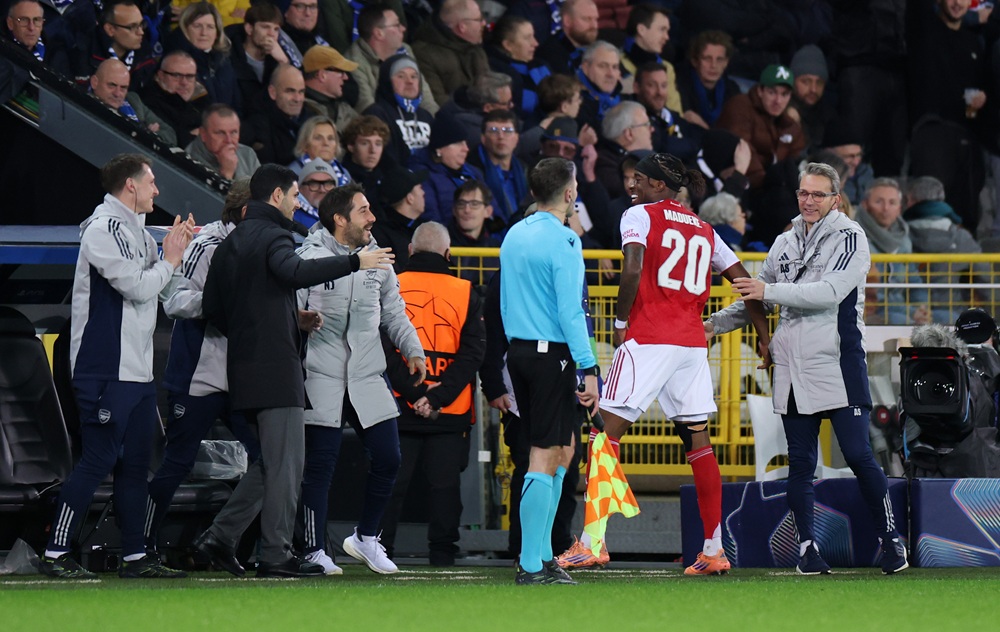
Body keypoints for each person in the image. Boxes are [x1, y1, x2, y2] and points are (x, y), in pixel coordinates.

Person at [570, 153, 770, 575]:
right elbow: (746, 283)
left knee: (603, 435)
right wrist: (764, 339)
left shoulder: (638, 215)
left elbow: (632, 267)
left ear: (659, 185)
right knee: (699, 443)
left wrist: (620, 322)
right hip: (691, 346)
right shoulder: (705, 229)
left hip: (649, 338)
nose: (632, 186)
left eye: (639, 179)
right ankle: (713, 549)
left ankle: (591, 542)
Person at [705, 162, 909, 576]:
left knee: (858, 454)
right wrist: (709, 326)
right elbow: (755, 299)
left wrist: (768, 289)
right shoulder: (784, 241)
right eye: (803, 193)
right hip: (792, 367)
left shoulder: (851, 236)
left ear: (835, 198)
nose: (809, 201)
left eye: (818, 194)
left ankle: (891, 541)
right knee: (800, 463)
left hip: (838, 361)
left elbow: (830, 292)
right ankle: (807, 550)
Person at [196, 164, 393, 578]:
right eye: (292, 195)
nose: (297, 203)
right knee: (288, 464)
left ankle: (219, 537)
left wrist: (265, 325)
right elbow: (295, 272)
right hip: (276, 365)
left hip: (242, 363)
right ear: (276, 196)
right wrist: (354, 262)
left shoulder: (232, 241)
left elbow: (212, 305)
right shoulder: (275, 235)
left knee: (272, 460)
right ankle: (275, 554)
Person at [39, 153, 194, 579]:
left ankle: (135, 557)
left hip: (137, 371)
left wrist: (178, 255)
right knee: (98, 458)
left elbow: (163, 291)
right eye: (151, 182)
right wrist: (169, 259)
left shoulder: (138, 232)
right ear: (130, 185)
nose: (156, 190)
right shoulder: (102, 229)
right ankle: (55, 552)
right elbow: (137, 287)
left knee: (136, 464)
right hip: (105, 366)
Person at [295, 181, 426, 575]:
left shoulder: (378, 258)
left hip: (368, 373)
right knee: (320, 465)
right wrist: (299, 320)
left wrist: (413, 349)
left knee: (389, 458)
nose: (372, 218)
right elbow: (286, 310)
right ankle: (313, 549)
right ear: (340, 219)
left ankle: (366, 537)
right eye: (363, 211)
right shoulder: (307, 258)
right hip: (322, 372)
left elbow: (394, 312)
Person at [144, 179, 260, 553]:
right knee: (177, 462)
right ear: (247, 212)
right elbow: (175, 301)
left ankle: (229, 545)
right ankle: (140, 544)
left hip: (241, 377)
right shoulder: (206, 246)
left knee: (269, 460)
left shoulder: (257, 246)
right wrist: (218, 304)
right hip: (198, 374)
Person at [500, 156, 600, 584]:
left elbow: (504, 301)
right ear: (570, 193)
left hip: (521, 351)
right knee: (543, 454)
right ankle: (530, 564)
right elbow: (570, 310)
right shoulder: (565, 240)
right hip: (551, 355)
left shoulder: (513, 234)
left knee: (562, 450)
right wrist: (588, 366)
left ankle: (543, 556)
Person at [378, 221, 486, 566]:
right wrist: (437, 397)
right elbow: (473, 353)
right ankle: (442, 552)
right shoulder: (466, 291)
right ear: (448, 254)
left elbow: (383, 349)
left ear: (411, 251)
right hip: (450, 409)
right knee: (445, 487)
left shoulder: (392, 284)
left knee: (391, 482)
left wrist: (415, 393)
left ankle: (378, 548)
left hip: (397, 404)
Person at [345, 2, 438, 115]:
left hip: (414, 120)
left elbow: (426, 98)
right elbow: (367, 109)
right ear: (379, 33)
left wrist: (437, 121)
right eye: (397, 25)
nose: (403, 28)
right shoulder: (353, 62)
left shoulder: (405, 50)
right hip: (382, 123)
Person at [411, 0, 489, 107]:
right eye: (479, 20)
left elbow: (489, 91)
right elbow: (436, 101)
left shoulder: (476, 50)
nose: (484, 23)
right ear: (462, 27)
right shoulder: (423, 54)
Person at [90, 58, 177, 145]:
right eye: (112, 85)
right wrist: (144, 134)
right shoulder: (87, 108)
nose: (117, 93)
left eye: (123, 88)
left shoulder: (133, 100)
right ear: (94, 82)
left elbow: (170, 134)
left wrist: (150, 135)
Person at [243, 63, 308, 165]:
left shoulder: (311, 120)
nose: (297, 99)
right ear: (272, 92)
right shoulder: (257, 128)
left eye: (301, 92)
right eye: (290, 91)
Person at [140, 51, 207, 146]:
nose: (184, 83)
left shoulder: (203, 101)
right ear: (161, 75)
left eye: (189, 76)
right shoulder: (149, 101)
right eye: (176, 75)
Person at [186, 104, 261, 180]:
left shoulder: (247, 154)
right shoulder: (188, 162)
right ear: (203, 134)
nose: (228, 140)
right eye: (220, 133)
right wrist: (227, 174)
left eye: (233, 132)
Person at [3, 0, 71, 75]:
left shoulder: (57, 56)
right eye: (24, 20)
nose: (31, 27)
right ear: (10, 23)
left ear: (42, 24)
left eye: (37, 20)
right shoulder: (4, 57)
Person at [301, 44, 359, 132]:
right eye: (341, 71)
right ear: (322, 75)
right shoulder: (300, 110)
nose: (346, 77)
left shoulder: (344, 108)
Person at [535, 0, 599, 73]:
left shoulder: (600, 49)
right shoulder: (550, 55)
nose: (594, 26)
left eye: (596, 19)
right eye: (586, 19)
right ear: (567, 21)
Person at [294, 158, 337, 227]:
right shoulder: (291, 217)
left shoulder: (345, 214)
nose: (322, 190)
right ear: (300, 188)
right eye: (314, 184)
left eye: (328, 184)